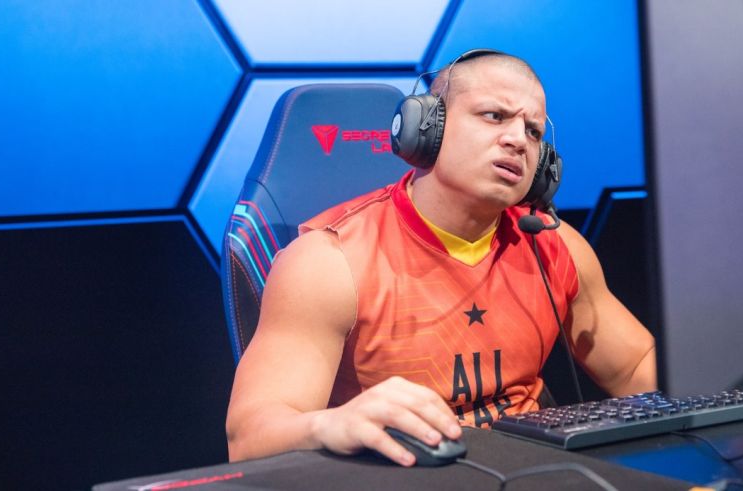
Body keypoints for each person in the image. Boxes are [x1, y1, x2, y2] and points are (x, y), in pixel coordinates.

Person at [225, 50, 657, 467]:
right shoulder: (329, 262)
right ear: (426, 127)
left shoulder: (554, 245)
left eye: (533, 132)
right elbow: (251, 437)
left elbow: (635, 366)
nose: (516, 140)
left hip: (541, 473)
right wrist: (331, 425)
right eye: (494, 116)